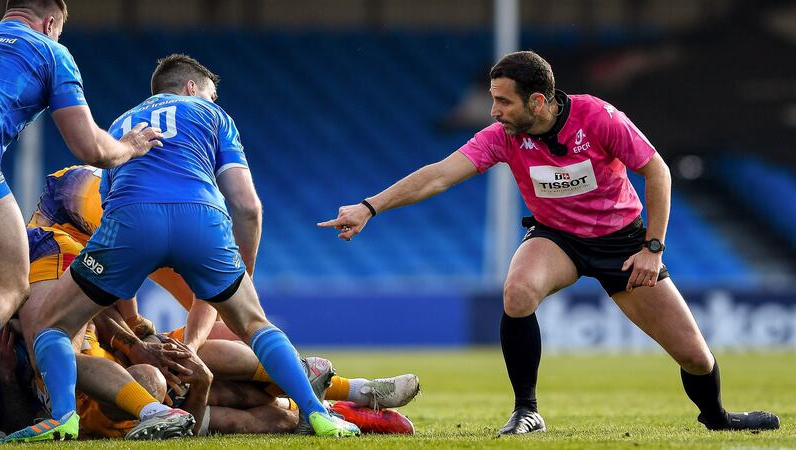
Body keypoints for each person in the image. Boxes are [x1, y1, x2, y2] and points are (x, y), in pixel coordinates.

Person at [319, 51, 781, 435]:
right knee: (517, 292)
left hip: (623, 243)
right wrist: (370, 206)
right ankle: (527, 410)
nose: (494, 111)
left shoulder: (598, 118)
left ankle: (717, 418)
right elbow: (439, 175)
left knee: (695, 357)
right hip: (557, 238)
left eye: (503, 102)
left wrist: (652, 247)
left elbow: (656, 171)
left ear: (537, 101)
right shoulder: (503, 137)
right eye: (492, 100)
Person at [3, 53, 360, 442]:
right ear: (192, 88)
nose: (213, 101)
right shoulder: (214, 117)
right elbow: (248, 206)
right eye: (211, 94)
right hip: (202, 221)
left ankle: (63, 417)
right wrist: (245, 272)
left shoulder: (125, 122)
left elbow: (109, 201)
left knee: (53, 326)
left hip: (131, 222)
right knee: (256, 325)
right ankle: (317, 413)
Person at [0, 0, 162, 342]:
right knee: (11, 282)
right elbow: (90, 148)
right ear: (51, 24)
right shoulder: (51, 52)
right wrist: (130, 146)